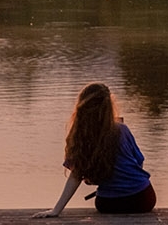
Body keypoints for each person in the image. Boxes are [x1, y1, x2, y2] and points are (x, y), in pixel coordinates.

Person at [32, 82, 155, 216]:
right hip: (143, 199)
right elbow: (139, 161)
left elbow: (76, 176)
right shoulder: (121, 130)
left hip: (110, 203)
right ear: (109, 106)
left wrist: (56, 210)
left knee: (103, 203)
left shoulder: (81, 136)